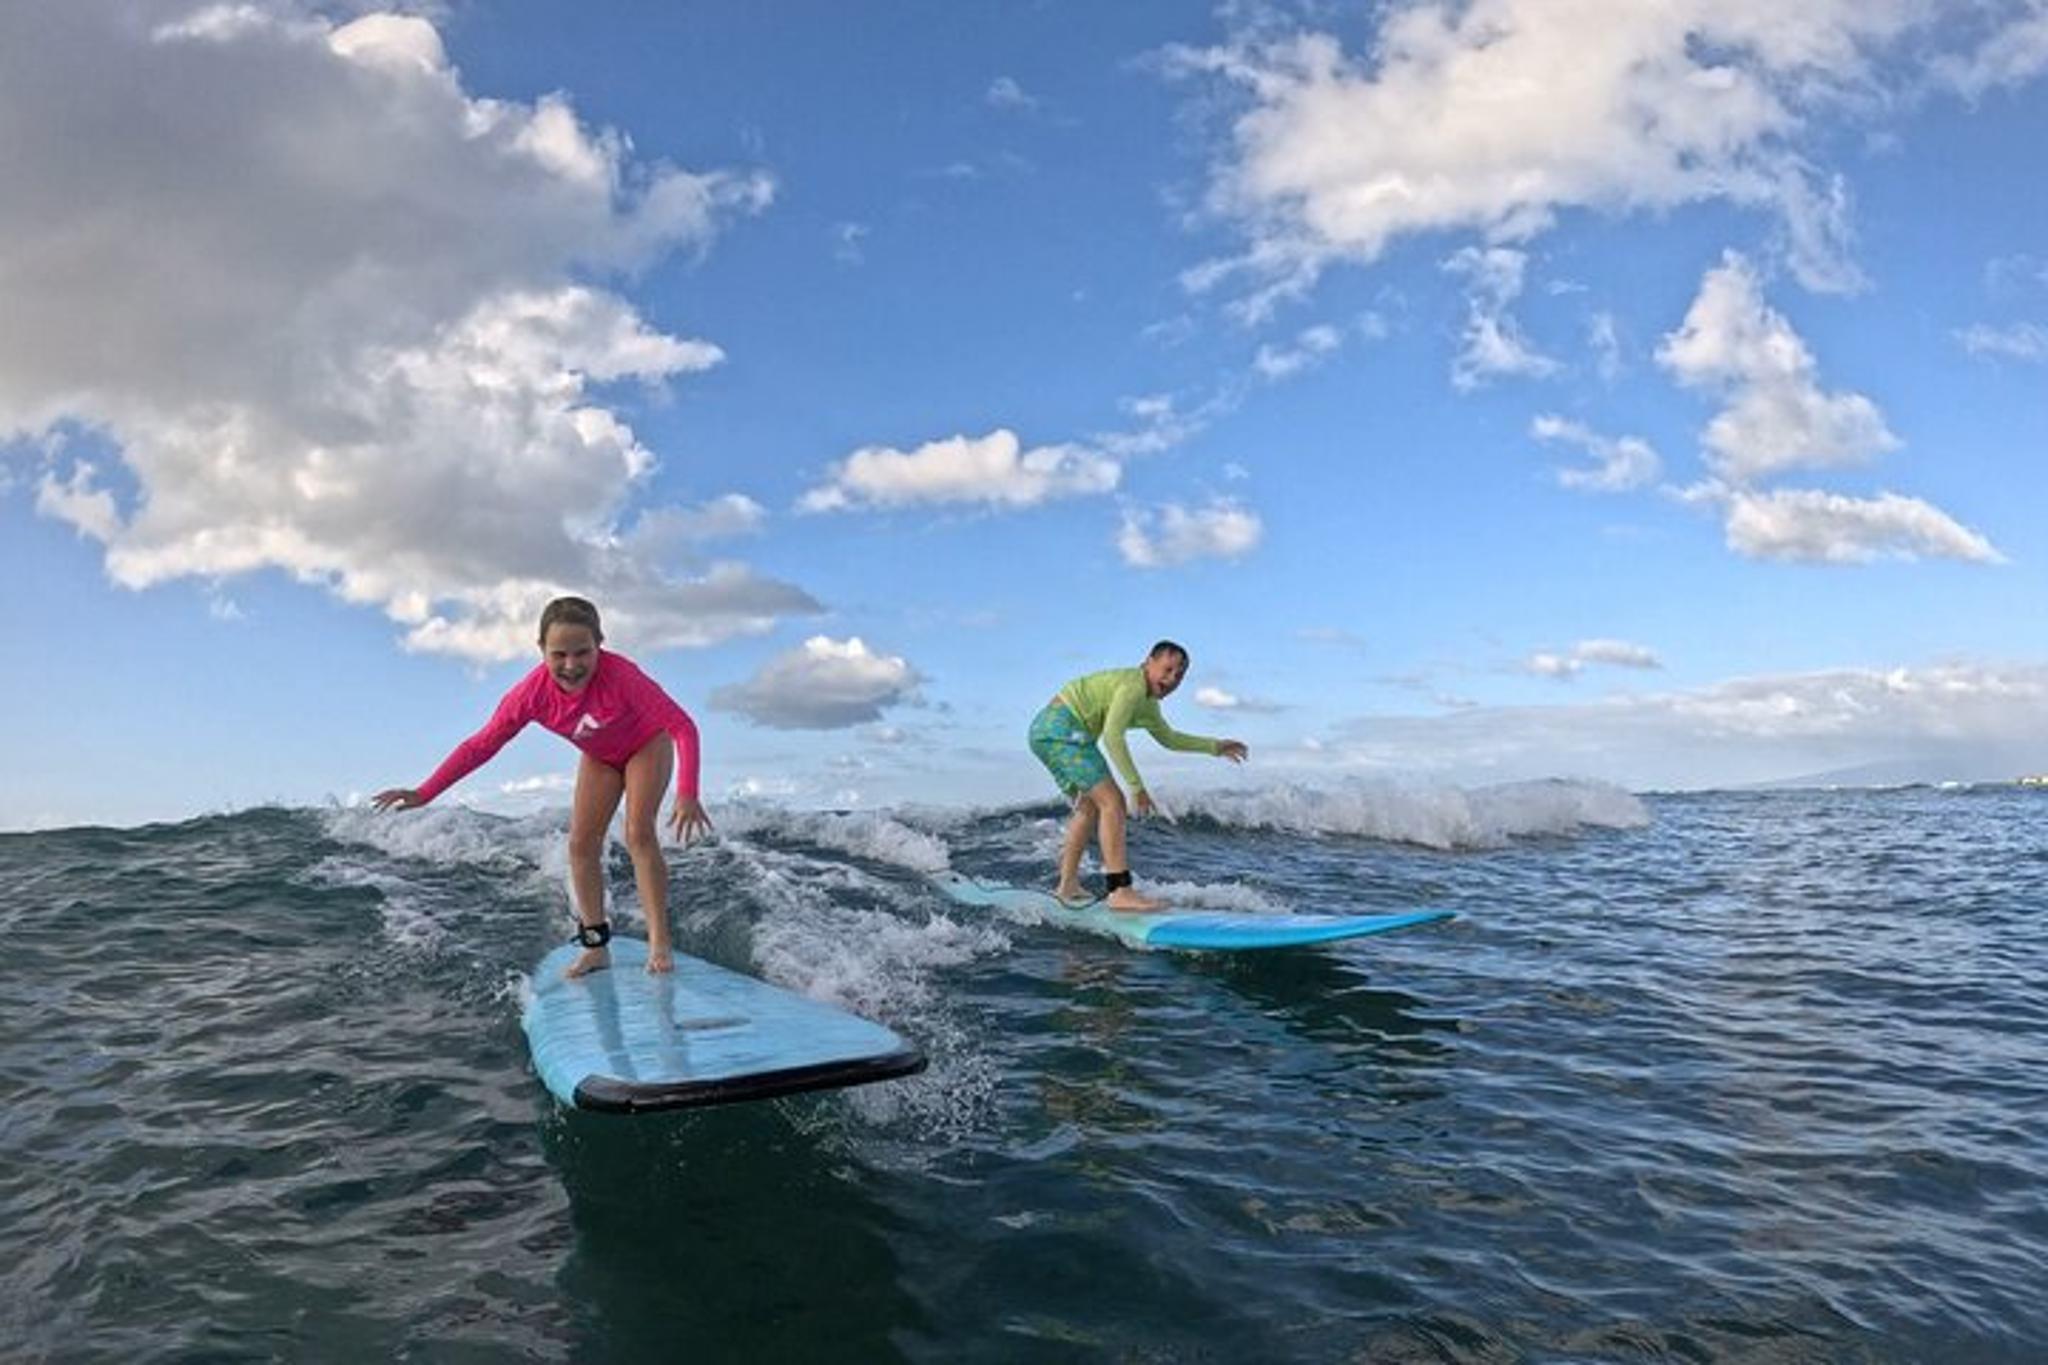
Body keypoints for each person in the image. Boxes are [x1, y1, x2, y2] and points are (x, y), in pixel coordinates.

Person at [374, 596, 712, 977]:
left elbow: (683, 726)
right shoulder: (530, 695)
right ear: (541, 650)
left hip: (647, 745)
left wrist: (687, 792)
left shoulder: (623, 676)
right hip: (600, 757)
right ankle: (596, 948)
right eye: (559, 654)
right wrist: (425, 792)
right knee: (580, 845)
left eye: (583, 652)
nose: (571, 665)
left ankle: (659, 942)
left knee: (638, 832)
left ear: (600, 643)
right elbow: (481, 745)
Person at [1029, 641, 1247, 911]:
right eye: (1167, 669)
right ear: (1148, 662)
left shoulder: (1148, 704)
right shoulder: (1133, 686)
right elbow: (1112, 736)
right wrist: (1137, 787)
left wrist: (1215, 746)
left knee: (1089, 807)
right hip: (1062, 728)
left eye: (1179, 676)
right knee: (1113, 802)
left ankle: (1067, 886)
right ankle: (1120, 891)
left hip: (1046, 731)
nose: (1171, 679)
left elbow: (1169, 738)